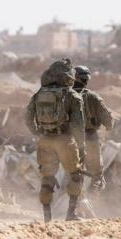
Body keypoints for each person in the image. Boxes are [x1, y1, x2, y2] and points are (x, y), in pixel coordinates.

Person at [24, 58, 86, 223]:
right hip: (65, 141)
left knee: (47, 177)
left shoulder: (39, 94)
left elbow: (27, 117)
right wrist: (81, 146)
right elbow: (78, 125)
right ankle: (71, 214)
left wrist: (37, 133)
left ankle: (47, 217)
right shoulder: (72, 95)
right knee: (76, 175)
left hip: (44, 140)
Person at [73, 65, 114, 191]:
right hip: (90, 136)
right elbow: (107, 118)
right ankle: (95, 186)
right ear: (86, 80)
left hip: (70, 137)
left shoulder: (64, 96)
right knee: (96, 169)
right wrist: (109, 126)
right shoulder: (93, 97)